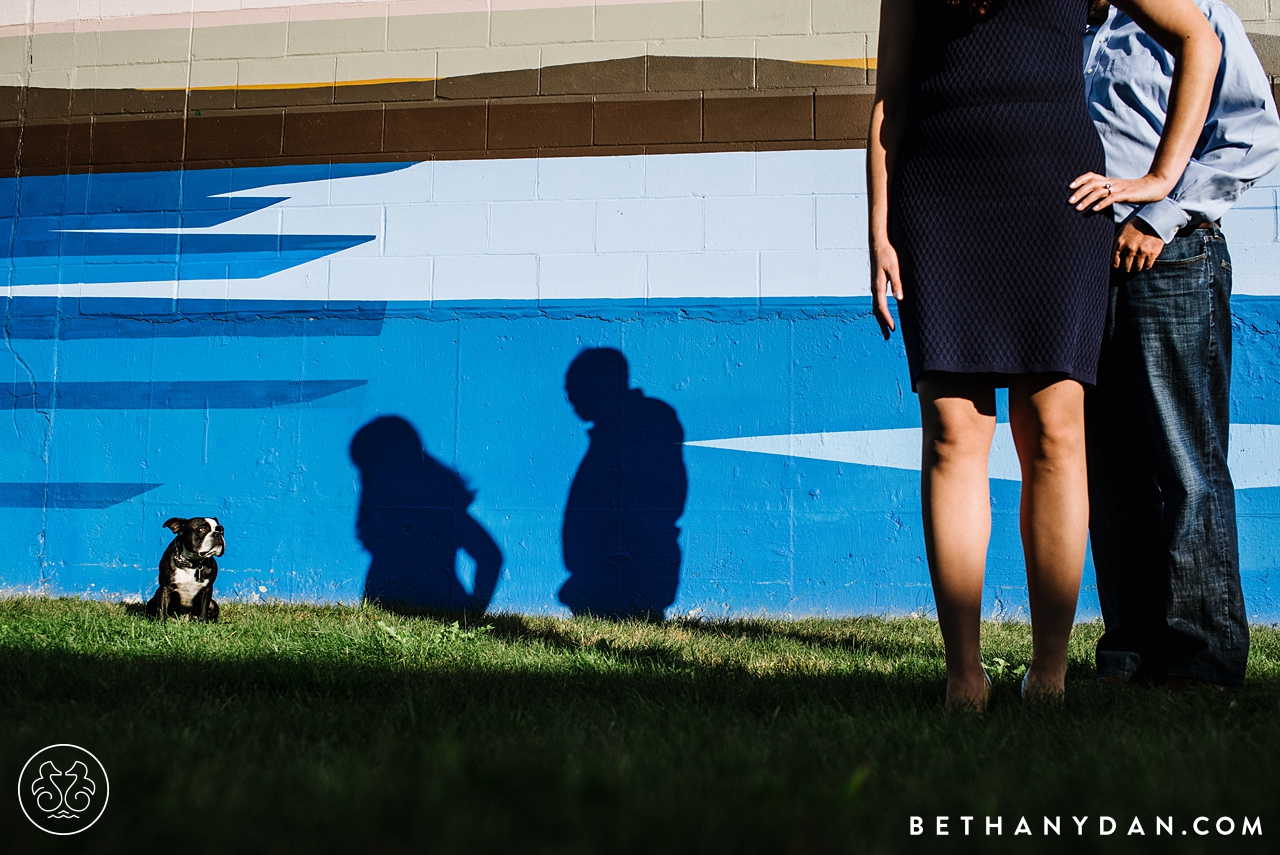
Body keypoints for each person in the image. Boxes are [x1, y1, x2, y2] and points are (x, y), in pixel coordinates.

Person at [868, 0, 1221, 710]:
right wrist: (878, 232)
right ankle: (963, 676)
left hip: (1055, 198)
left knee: (1055, 433)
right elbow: (890, 102)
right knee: (953, 435)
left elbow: (1199, 40)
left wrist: (1159, 179)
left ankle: (1049, 674)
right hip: (938, 197)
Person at [1083, 0, 1280, 691]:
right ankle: (1131, 651)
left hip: (1170, 262)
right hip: (1083, 274)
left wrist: (1161, 215)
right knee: (1109, 473)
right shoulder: (1068, 30)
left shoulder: (1196, 16)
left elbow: (1255, 131)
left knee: (1184, 463)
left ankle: (1201, 661)